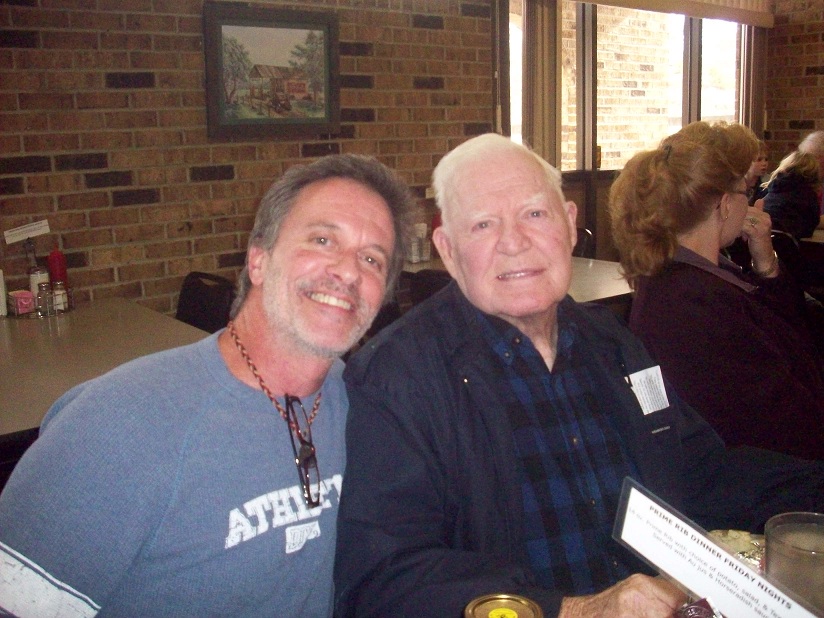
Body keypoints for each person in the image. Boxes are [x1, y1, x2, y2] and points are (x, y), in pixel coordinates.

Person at [333, 133, 824, 618]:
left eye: (534, 214)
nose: (514, 242)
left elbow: (699, 470)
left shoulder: (612, 346)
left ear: (569, 225)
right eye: (483, 224)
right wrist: (572, 610)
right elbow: (385, 579)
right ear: (447, 248)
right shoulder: (397, 379)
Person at [0, 154, 415, 617]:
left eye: (372, 259)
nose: (349, 271)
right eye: (322, 239)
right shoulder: (115, 426)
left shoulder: (364, 405)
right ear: (259, 259)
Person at [609, 121, 824, 461]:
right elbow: (787, 418)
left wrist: (766, 262)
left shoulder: (695, 275)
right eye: (746, 191)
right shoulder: (693, 301)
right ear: (725, 204)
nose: (752, 203)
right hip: (766, 474)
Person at [761, 149, 822, 239]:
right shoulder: (809, 196)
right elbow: (811, 225)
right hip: (787, 243)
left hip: (761, 236)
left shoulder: (772, 188)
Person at [745, 139, 768, 205]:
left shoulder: (766, 186)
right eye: (759, 160)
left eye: (766, 159)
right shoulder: (736, 185)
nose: (764, 163)